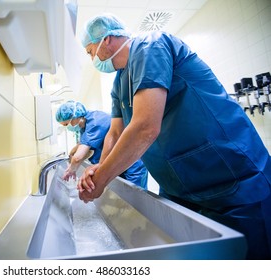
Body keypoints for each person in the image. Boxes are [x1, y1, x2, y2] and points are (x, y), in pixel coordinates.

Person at [77, 13, 271, 260]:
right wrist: (99, 170)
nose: (92, 58)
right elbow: (115, 133)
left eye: (90, 50)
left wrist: (102, 179)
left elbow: (145, 126)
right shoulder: (119, 82)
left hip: (231, 179)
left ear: (105, 40)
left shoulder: (150, 46)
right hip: (181, 189)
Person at [55, 100, 148, 189]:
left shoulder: (94, 122)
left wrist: (71, 170)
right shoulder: (85, 124)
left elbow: (78, 157)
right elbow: (82, 145)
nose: (67, 128)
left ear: (74, 116)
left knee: (136, 198)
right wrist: (72, 156)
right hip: (118, 163)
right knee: (125, 195)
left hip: (132, 163)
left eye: (66, 124)